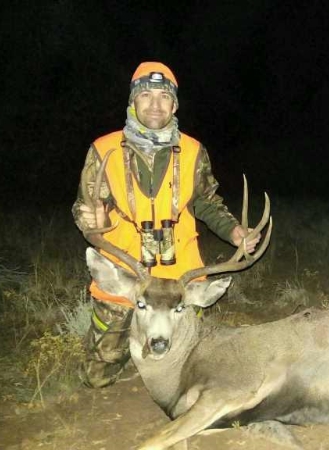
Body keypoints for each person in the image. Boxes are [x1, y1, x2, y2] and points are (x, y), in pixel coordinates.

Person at [72, 61, 259, 388]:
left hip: (179, 280)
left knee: (194, 372)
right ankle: (132, 346)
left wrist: (234, 232)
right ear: (133, 102)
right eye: (146, 96)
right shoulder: (103, 150)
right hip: (127, 273)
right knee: (96, 377)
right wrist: (94, 218)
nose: (155, 104)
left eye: (163, 96)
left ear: (174, 105)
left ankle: (152, 347)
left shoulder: (193, 151)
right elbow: (85, 205)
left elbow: (206, 201)